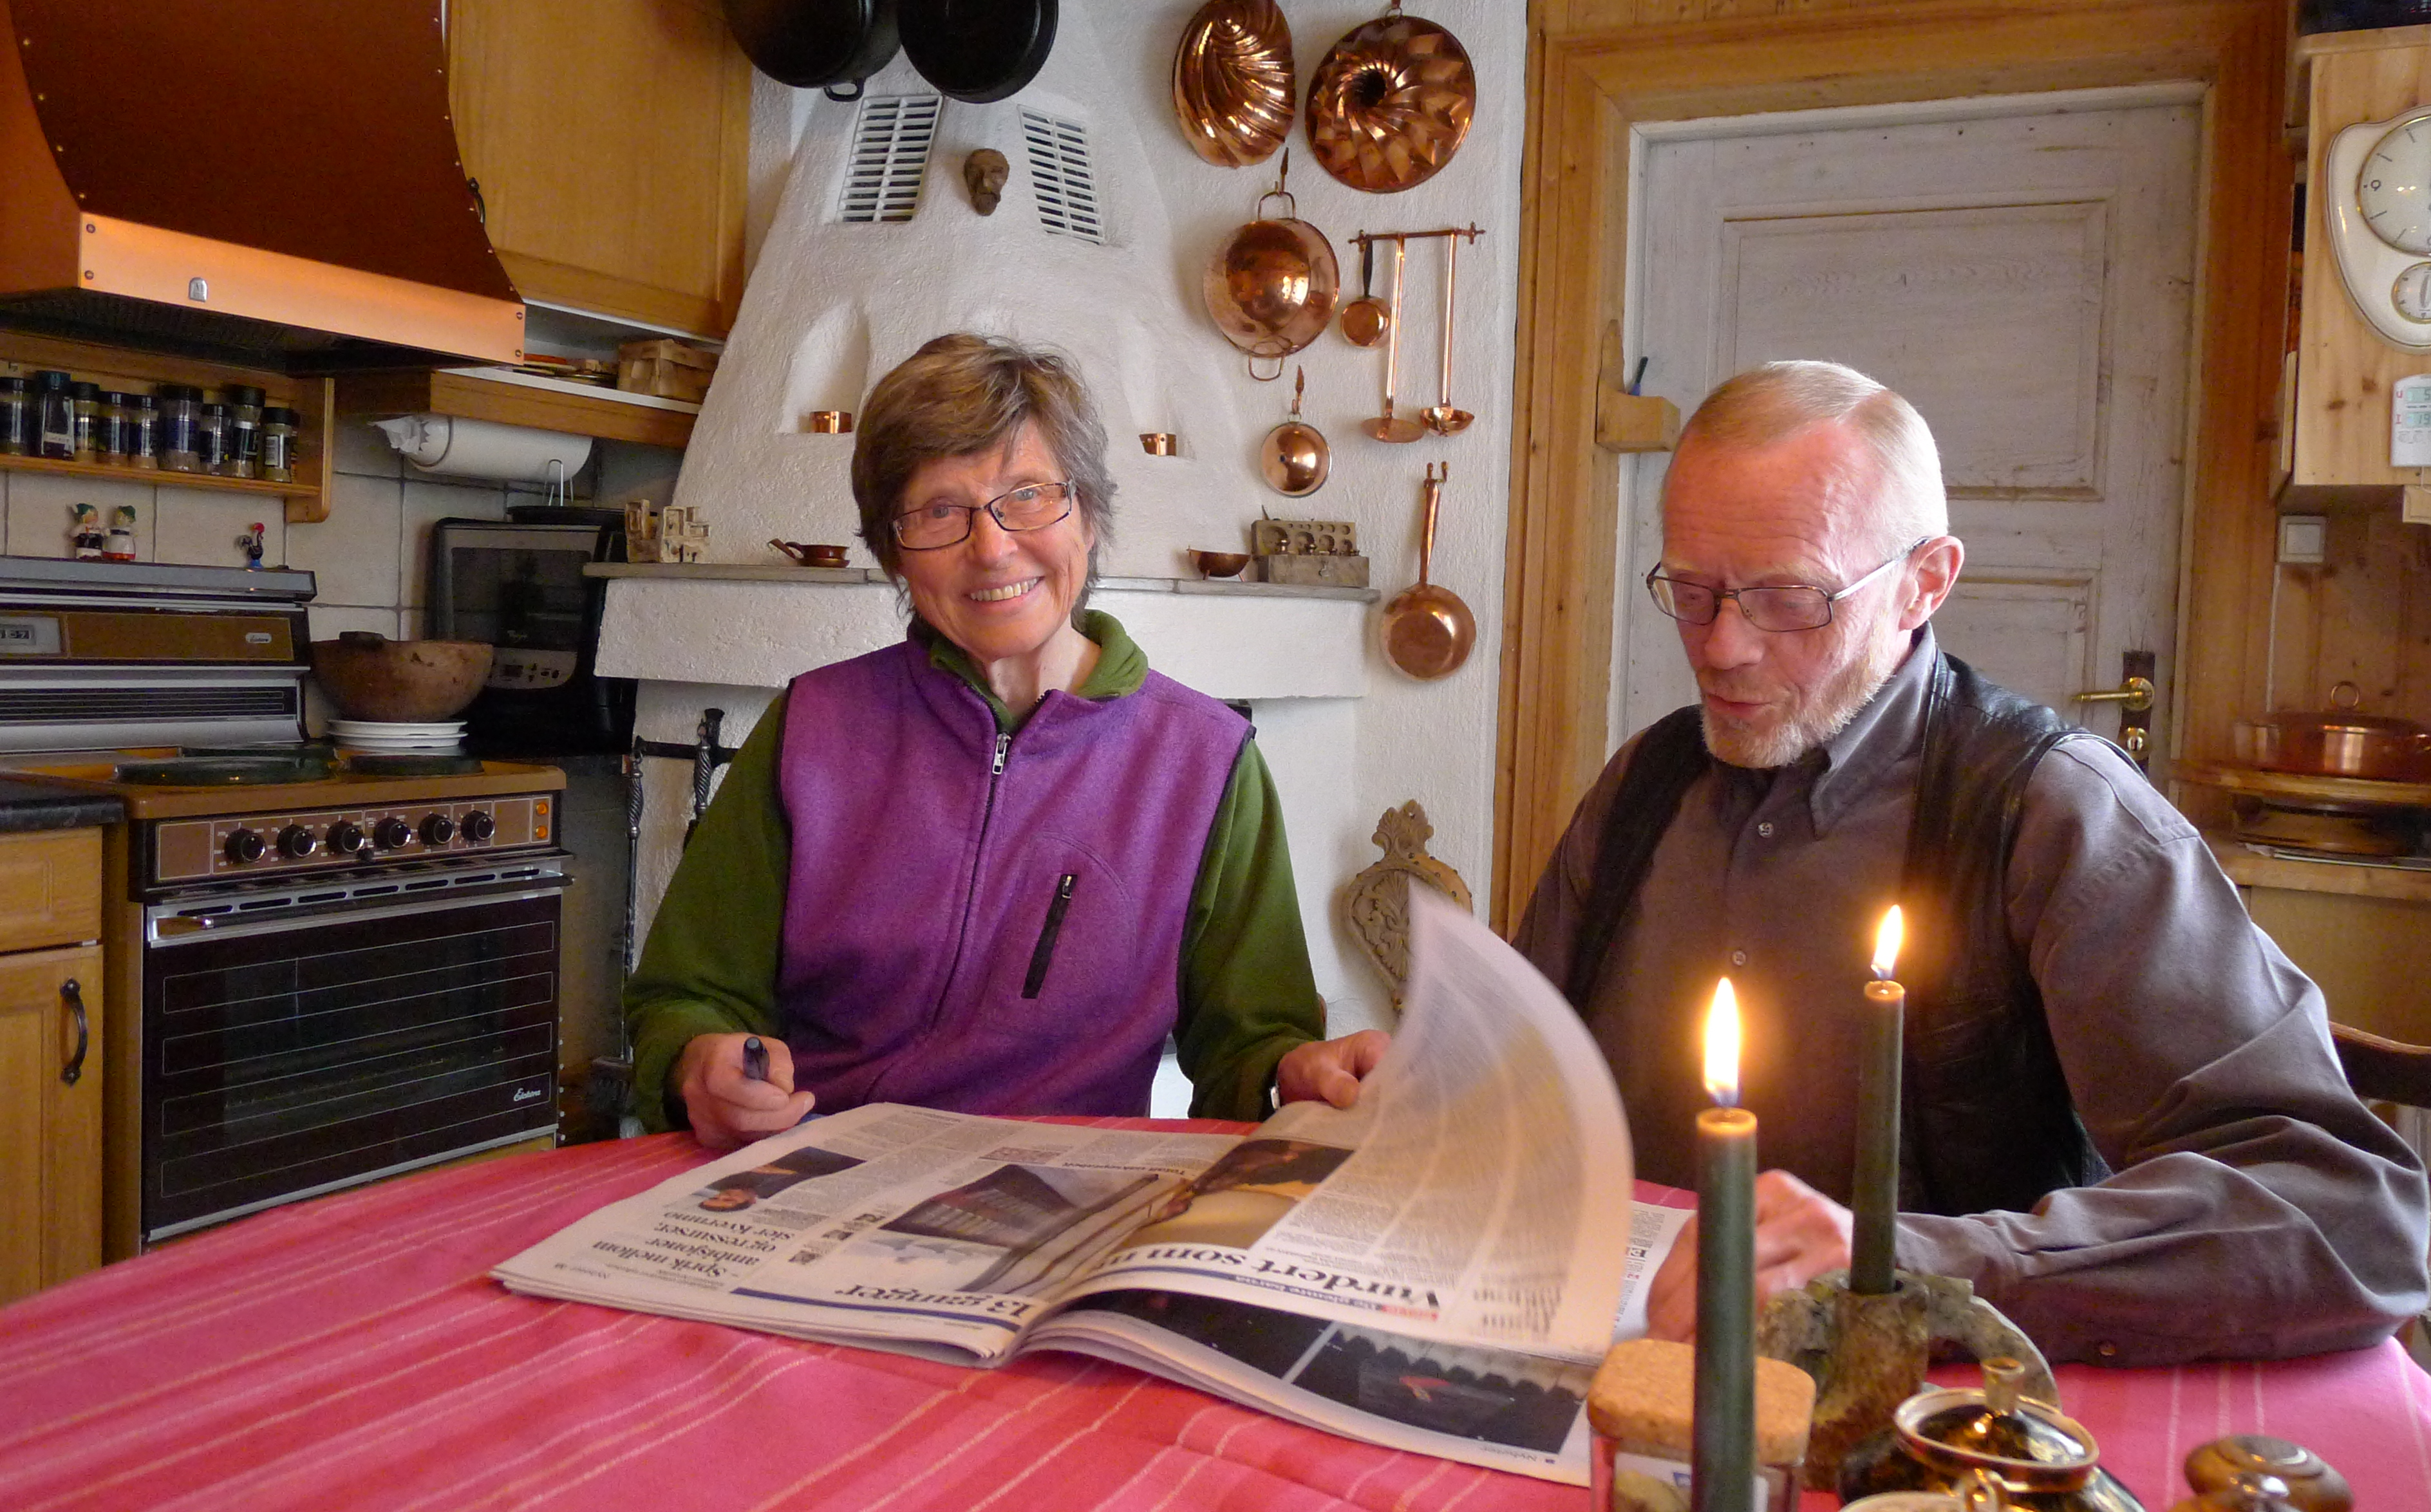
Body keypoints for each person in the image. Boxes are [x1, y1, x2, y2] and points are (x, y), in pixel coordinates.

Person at [1515, 360, 2429, 1365]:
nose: (1722, 648)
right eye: (1693, 591)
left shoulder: (2051, 814)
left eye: (1789, 599)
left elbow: (2353, 1218)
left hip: (1934, 1410)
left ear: (1925, 582)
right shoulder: (1648, 783)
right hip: (1621, 1360)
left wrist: (1912, 1266)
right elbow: (1520, 1080)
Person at [627, 334, 1387, 1148]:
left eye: (1027, 495)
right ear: (895, 554)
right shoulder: (811, 728)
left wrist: (1291, 1075)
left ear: (1087, 518)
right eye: (939, 511)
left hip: (1068, 1189)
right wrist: (698, 1064)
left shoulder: (1205, 762)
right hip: (816, 1171)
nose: (990, 548)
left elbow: (1250, 1045)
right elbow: (685, 998)